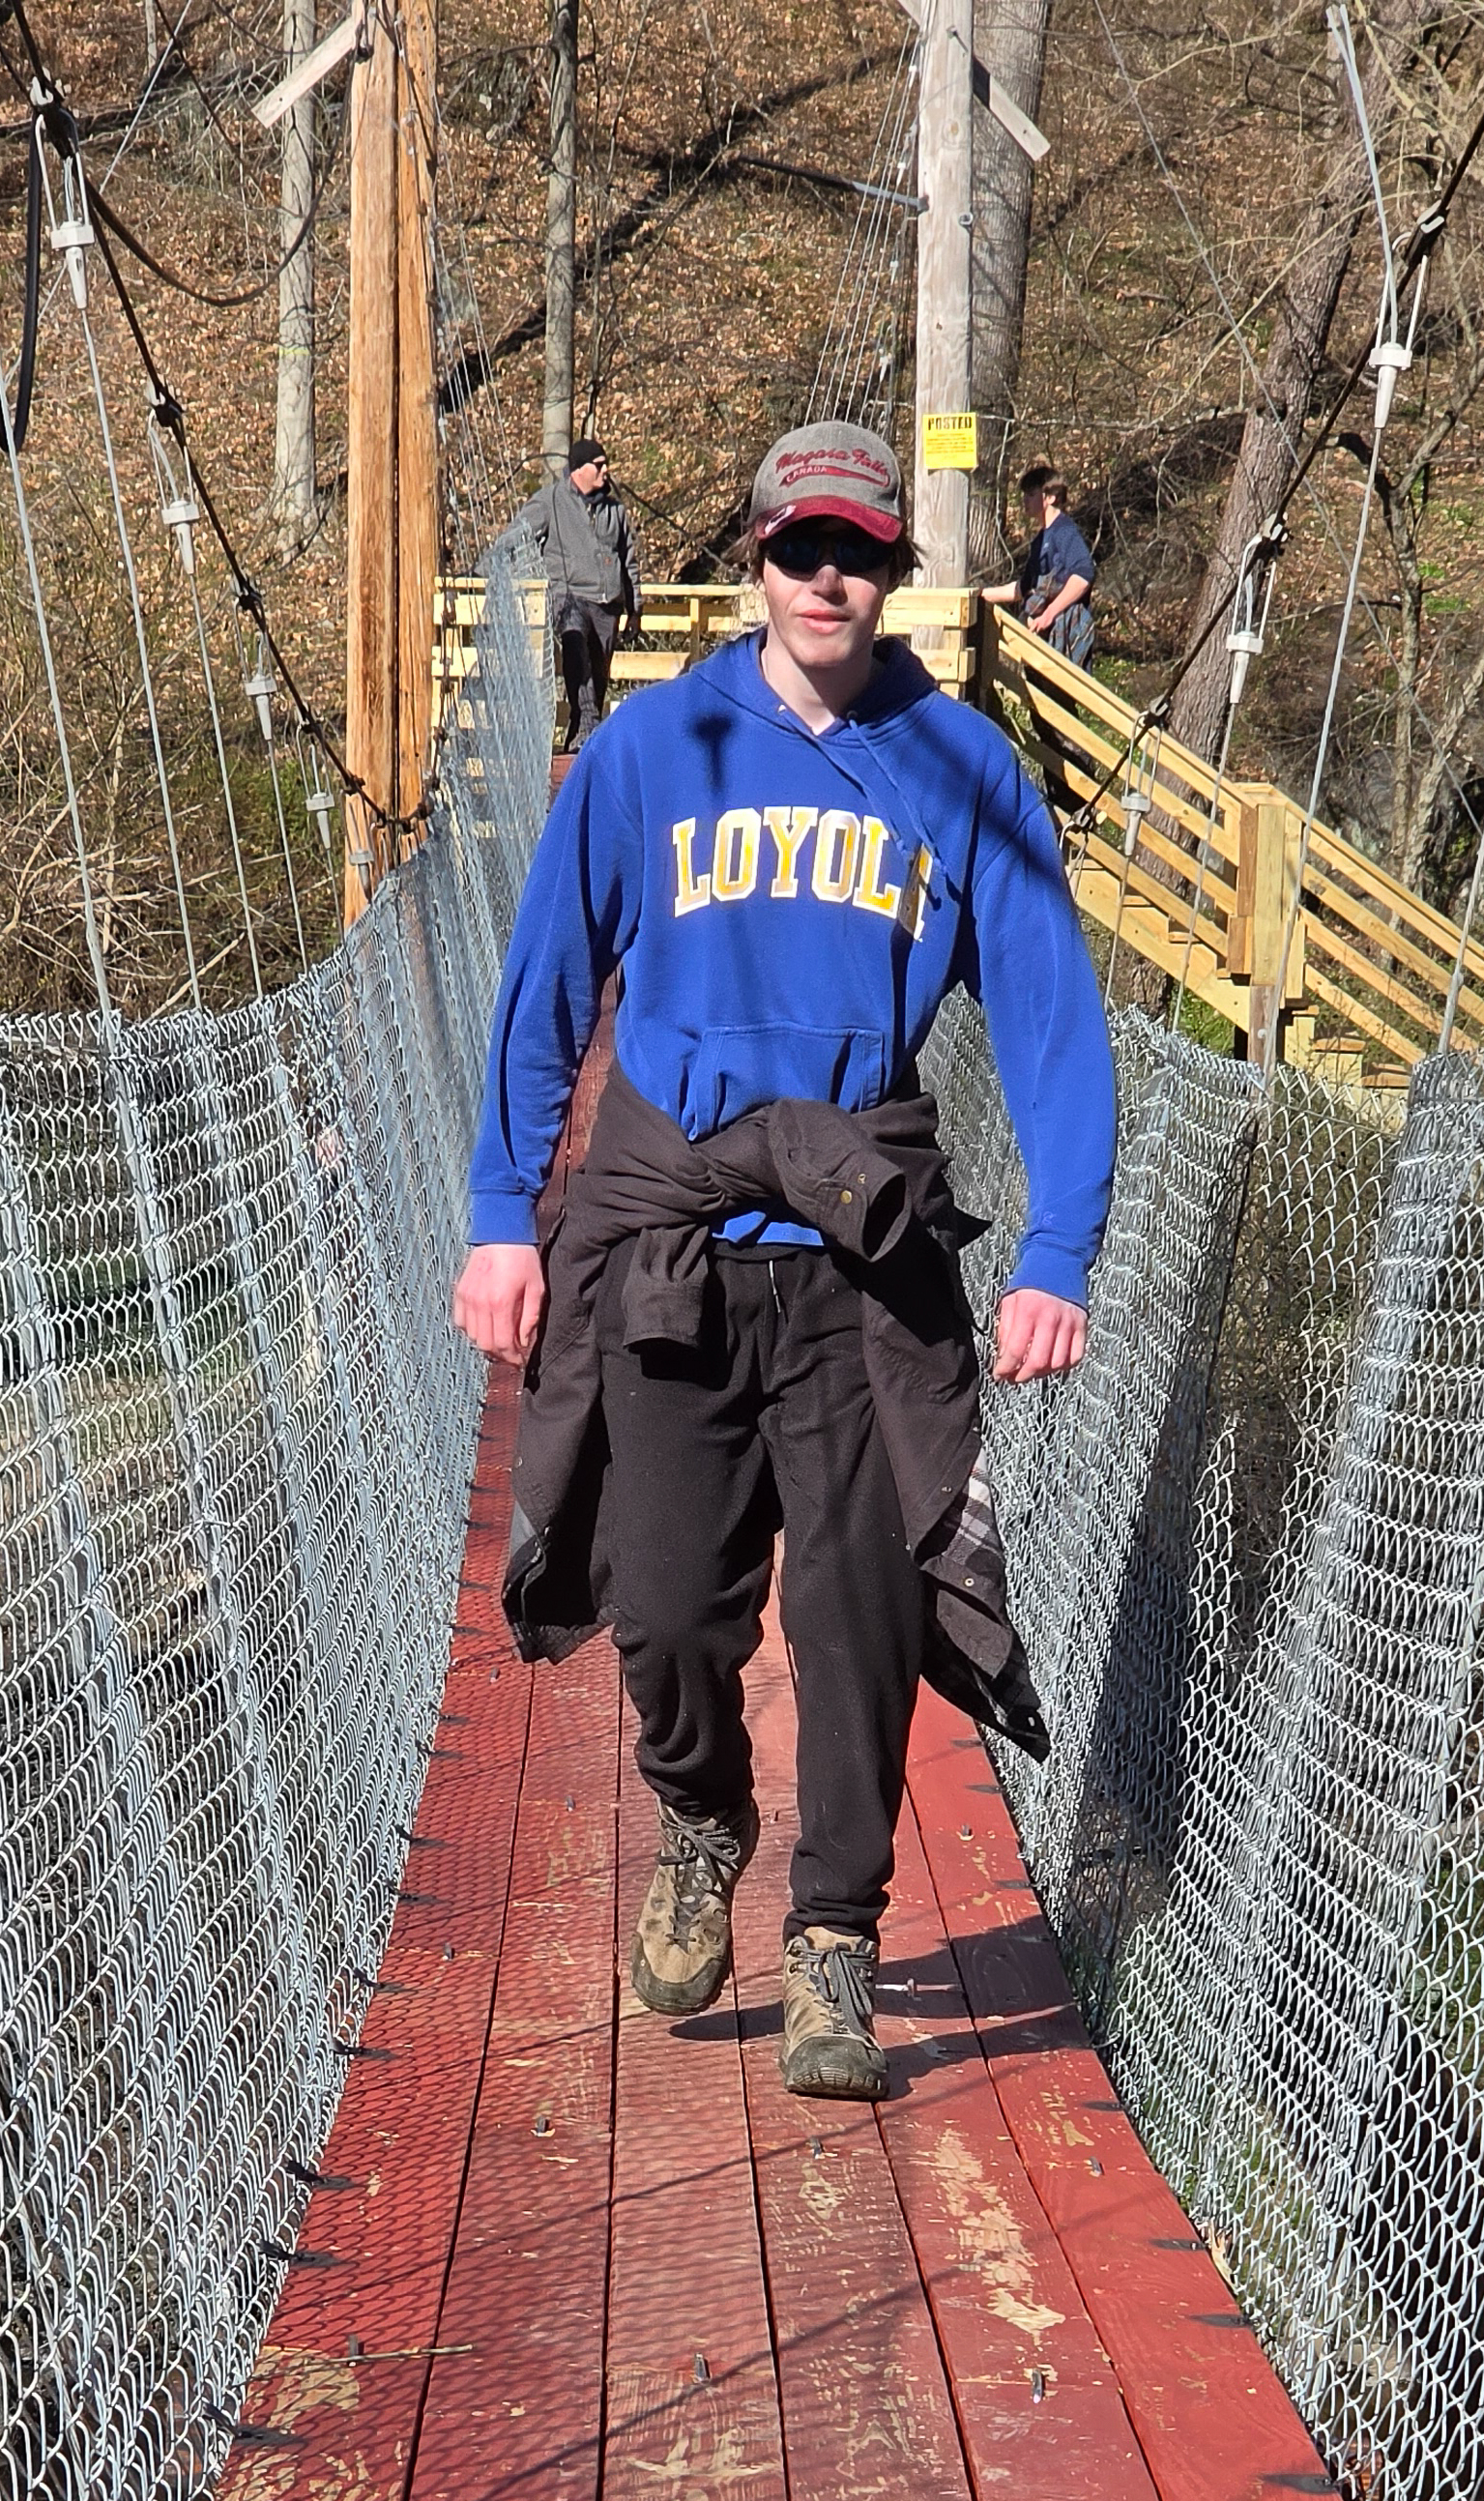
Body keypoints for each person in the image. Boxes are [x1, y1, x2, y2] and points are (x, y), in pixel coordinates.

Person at [454, 419, 1116, 2105]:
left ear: (894, 571)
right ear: (754, 559)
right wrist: (500, 1214)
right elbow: (546, 987)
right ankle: (699, 1817)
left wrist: (1056, 1247)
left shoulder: (961, 767)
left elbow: (1049, 1010)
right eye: (799, 547)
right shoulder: (650, 750)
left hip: (858, 1268)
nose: (828, 577)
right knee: (668, 1607)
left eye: (860, 552)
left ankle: (834, 1938)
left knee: (858, 1617)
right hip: (673, 1250)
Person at [507, 437, 642, 747]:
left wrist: (635, 610)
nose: (606, 470)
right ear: (579, 469)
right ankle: (589, 724)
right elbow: (517, 535)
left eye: (606, 464)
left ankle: (580, 735)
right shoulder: (551, 501)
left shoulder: (615, 512)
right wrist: (492, 566)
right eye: (599, 465)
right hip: (569, 596)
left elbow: (629, 562)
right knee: (576, 650)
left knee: (598, 675)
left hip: (607, 603)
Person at [1013, 462, 1096, 667]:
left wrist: (1049, 614)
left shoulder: (1064, 531)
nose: (1025, 500)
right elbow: (1023, 587)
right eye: (1024, 494)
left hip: (1068, 630)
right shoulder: (1040, 540)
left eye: (1031, 494)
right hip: (1045, 635)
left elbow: (1083, 576)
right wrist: (983, 594)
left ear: (1050, 497)